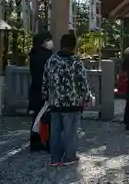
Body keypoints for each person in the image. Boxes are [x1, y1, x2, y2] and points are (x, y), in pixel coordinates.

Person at [42, 33, 91, 167]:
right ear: (73, 46)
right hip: (72, 103)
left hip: (55, 102)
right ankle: (69, 156)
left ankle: (55, 158)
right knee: (70, 132)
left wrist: (45, 96)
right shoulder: (76, 62)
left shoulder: (51, 60)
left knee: (55, 132)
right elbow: (83, 82)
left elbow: (45, 80)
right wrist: (86, 97)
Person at [28, 31, 53, 152]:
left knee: (37, 117)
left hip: (35, 89)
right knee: (46, 117)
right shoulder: (45, 56)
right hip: (44, 90)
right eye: (47, 40)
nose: (50, 42)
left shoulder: (34, 53)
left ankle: (36, 141)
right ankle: (45, 142)